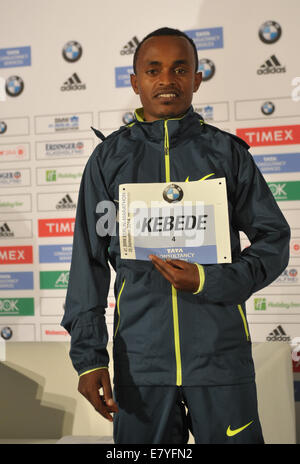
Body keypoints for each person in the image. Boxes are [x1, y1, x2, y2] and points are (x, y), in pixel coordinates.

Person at [61, 27, 290, 444]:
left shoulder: (226, 154)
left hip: (221, 361)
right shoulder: (109, 161)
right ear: (136, 82)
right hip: (141, 366)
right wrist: (89, 359)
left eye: (179, 69)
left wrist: (208, 280)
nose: (167, 79)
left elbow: (274, 241)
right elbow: (88, 265)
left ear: (197, 78)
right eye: (153, 70)